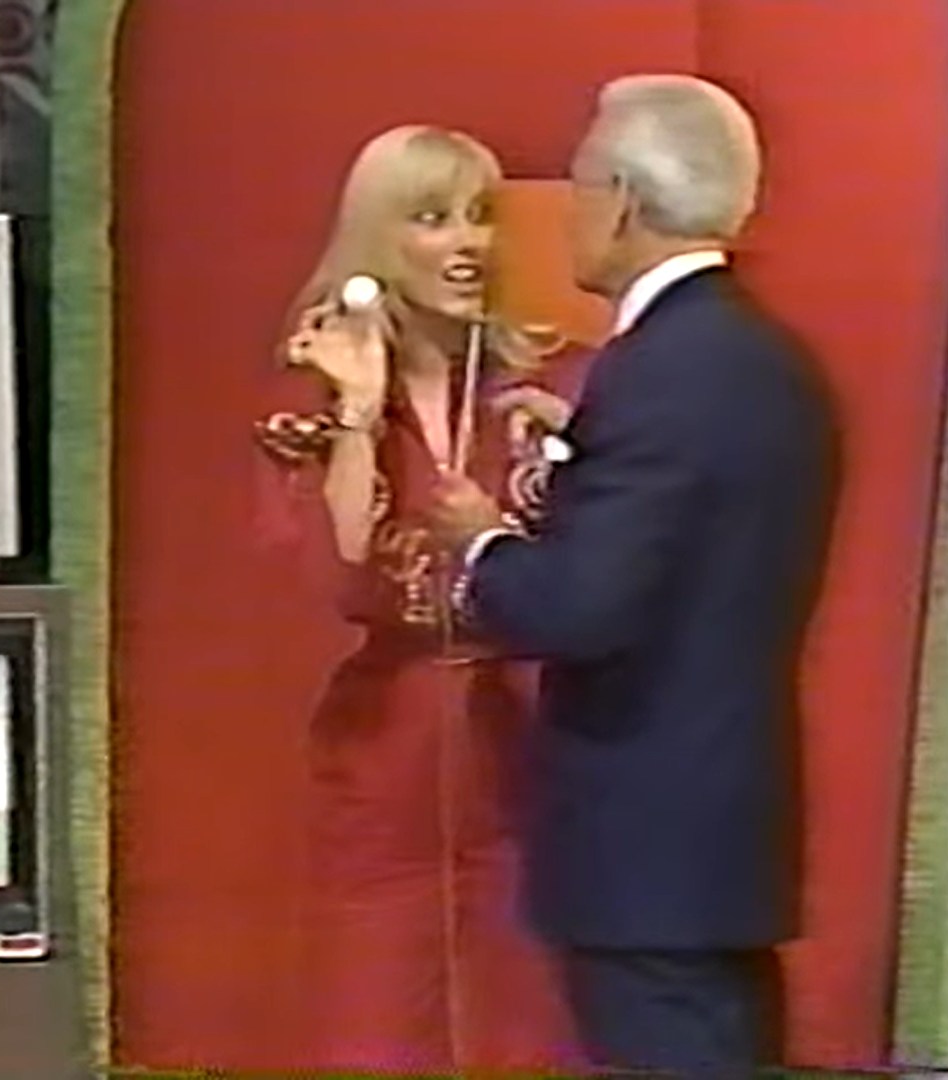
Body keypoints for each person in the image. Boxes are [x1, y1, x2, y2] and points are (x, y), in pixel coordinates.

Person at [430, 75, 839, 1077]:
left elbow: (583, 609)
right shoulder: (764, 359)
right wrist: (582, 453)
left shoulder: (659, 369)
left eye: (574, 186)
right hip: (719, 841)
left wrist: (484, 541)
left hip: (646, 844)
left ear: (620, 197)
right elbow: (702, 536)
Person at [254, 125, 585, 1074]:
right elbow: (340, 575)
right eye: (432, 219)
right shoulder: (313, 392)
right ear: (377, 241)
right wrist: (359, 414)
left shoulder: (550, 376)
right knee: (377, 1011)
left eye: (480, 217)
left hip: (531, 739)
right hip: (386, 746)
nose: (467, 243)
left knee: (525, 1013)